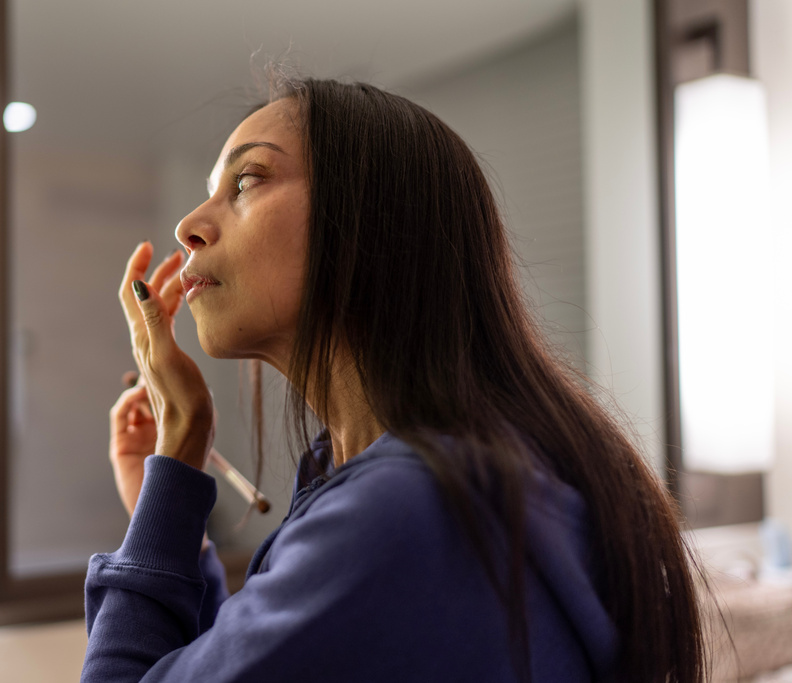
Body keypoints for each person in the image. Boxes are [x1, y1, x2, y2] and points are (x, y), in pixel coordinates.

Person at [81, 77, 707, 682]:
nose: (188, 224)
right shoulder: (447, 479)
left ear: (366, 221)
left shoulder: (403, 512)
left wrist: (181, 443)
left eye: (246, 180)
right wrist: (164, 513)